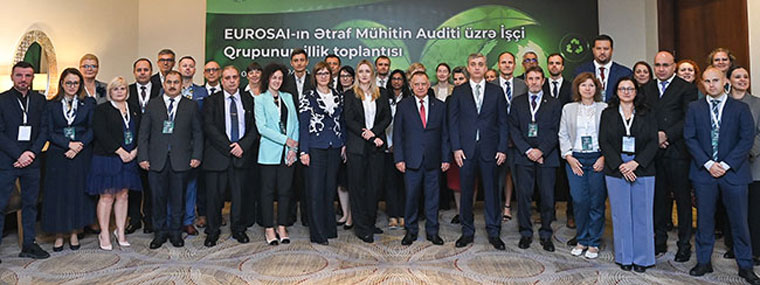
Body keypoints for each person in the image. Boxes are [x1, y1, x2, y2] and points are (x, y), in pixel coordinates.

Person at [685, 67, 760, 284]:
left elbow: (747, 139)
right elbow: (689, 138)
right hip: (704, 173)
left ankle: (745, 266)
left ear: (725, 81)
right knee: (705, 220)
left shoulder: (740, 107)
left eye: (715, 80)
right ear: (703, 84)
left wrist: (726, 164)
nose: (711, 85)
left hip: (734, 173)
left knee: (739, 221)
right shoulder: (695, 108)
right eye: (707, 81)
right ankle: (703, 261)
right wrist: (708, 164)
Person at [448, 53, 508, 250]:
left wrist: (502, 148)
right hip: (465, 150)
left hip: (490, 150)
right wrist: (456, 148)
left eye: (480, 64)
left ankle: (493, 231)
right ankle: (467, 231)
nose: (476, 67)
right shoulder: (459, 91)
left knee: (491, 192)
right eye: (473, 64)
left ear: (485, 67)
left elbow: (502, 122)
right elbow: (453, 122)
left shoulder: (497, 91)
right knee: (466, 192)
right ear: (468, 66)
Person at [643, 51, 698, 262]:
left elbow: (688, 118)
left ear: (674, 66)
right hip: (654, 153)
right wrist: (655, 136)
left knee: (683, 201)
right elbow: (643, 116)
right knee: (658, 200)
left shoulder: (687, 88)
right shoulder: (646, 88)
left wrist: (667, 135)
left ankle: (684, 244)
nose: (661, 69)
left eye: (665, 65)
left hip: (678, 153)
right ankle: (659, 240)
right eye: (657, 65)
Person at [138, 70, 203, 249]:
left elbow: (198, 133)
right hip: (156, 160)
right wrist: (143, 156)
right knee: (157, 200)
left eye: (176, 82)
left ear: (182, 84)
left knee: (178, 199)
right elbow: (143, 133)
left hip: (181, 160)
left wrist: (197, 155)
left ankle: (175, 233)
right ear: (164, 84)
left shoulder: (191, 106)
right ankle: (159, 233)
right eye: (169, 82)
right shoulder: (153, 104)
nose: (172, 85)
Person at [600, 77, 658, 273]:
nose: (626, 92)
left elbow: (652, 142)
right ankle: (625, 256)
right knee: (620, 214)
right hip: (616, 170)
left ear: (636, 92)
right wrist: (620, 165)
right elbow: (604, 141)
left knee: (642, 215)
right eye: (622, 88)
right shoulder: (608, 114)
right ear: (616, 92)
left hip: (642, 167)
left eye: (630, 88)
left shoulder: (647, 113)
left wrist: (636, 163)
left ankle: (642, 258)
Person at [202, 66, 258, 247]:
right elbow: (209, 127)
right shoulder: (211, 100)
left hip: (242, 155)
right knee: (214, 198)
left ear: (239, 79)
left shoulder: (249, 98)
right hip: (218, 156)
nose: (231, 80)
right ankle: (212, 232)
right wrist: (229, 147)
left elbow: (255, 126)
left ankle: (238, 229)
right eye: (227, 78)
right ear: (221, 80)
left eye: (234, 77)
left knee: (239, 196)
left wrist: (242, 146)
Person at [0, 61, 50, 260]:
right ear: (12, 77)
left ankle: (29, 244)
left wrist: (31, 153)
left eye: (28, 76)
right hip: (7, 162)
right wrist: (18, 154)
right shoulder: (2, 100)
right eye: (19, 75)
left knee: (30, 204)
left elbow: (44, 129)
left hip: (32, 161)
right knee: (1, 205)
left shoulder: (39, 100)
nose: (23, 80)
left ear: (32, 78)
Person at [42, 68, 96, 252]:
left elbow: (92, 128)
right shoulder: (50, 105)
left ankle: (74, 232)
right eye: (69, 83)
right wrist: (68, 144)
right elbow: (48, 132)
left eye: (76, 83)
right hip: (58, 155)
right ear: (62, 84)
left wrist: (79, 144)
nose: (72, 86)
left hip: (81, 155)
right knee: (58, 195)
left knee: (77, 194)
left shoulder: (88, 103)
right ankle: (59, 235)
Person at [395, 71, 450, 246]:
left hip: (433, 161)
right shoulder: (403, 106)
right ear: (411, 86)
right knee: (411, 197)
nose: (420, 87)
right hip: (411, 160)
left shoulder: (440, 106)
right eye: (416, 84)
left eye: (423, 84)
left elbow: (445, 135)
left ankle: (433, 232)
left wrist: (446, 158)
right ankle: (410, 231)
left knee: (433, 199)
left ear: (428, 85)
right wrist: (399, 159)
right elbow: (398, 135)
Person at [509, 66, 561, 252]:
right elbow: (513, 130)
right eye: (530, 78)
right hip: (524, 157)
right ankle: (525, 233)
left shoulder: (554, 103)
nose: (534, 82)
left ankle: (546, 233)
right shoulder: (517, 102)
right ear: (525, 81)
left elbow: (556, 130)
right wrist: (528, 150)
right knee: (523, 197)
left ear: (543, 80)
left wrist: (541, 151)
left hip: (547, 157)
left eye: (537, 78)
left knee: (547, 198)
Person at [88, 76, 142, 251]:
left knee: (123, 195)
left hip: (129, 158)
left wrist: (135, 151)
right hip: (108, 158)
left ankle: (120, 231)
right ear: (110, 92)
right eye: (116, 89)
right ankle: (104, 233)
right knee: (107, 196)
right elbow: (101, 133)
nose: (120, 92)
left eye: (123, 89)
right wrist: (120, 151)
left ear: (127, 91)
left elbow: (141, 131)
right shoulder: (102, 110)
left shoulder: (133, 108)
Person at [557, 72, 607, 258]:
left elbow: (610, 136)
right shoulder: (568, 108)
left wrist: (604, 157)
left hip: (597, 158)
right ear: (577, 88)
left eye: (591, 85)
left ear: (596, 88)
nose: (587, 88)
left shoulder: (605, 108)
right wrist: (568, 157)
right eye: (583, 85)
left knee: (596, 201)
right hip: (575, 158)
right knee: (579, 200)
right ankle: (582, 239)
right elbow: (563, 134)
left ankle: (594, 242)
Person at [344, 60, 391, 243]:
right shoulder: (350, 95)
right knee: (358, 188)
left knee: (374, 187)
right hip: (358, 147)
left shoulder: (382, 93)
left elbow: (387, 116)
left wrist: (375, 133)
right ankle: (361, 227)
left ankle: (370, 223)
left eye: (367, 71)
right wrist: (370, 136)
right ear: (357, 74)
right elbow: (350, 120)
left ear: (372, 74)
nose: (364, 74)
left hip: (377, 147)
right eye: (361, 71)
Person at [299, 62, 345, 245]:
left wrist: (344, 144)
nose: (324, 76)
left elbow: (342, 122)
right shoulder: (307, 97)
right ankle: (317, 233)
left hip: (334, 147)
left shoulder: (338, 96)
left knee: (329, 190)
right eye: (320, 73)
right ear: (315, 76)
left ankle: (329, 228)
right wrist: (303, 150)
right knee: (315, 191)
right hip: (315, 148)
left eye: (326, 73)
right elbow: (303, 126)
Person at [255, 63, 299, 245]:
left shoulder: (288, 97)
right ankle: (269, 228)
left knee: (285, 191)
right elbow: (262, 128)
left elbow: (295, 124)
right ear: (267, 79)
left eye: (280, 78)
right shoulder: (260, 99)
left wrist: (293, 149)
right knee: (267, 192)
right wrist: (285, 140)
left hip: (287, 154)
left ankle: (282, 226)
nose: (277, 81)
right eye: (274, 78)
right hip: (268, 153)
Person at [727, 66, 760, 264]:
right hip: (729, 163)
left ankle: (755, 249)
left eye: (745, 77)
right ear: (729, 80)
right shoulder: (724, 103)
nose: (742, 80)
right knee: (732, 207)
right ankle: (733, 245)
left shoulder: (757, 103)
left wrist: (747, 151)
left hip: (753, 162)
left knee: (754, 209)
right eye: (737, 77)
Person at [126, 58, 160, 235]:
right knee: (134, 184)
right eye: (139, 70)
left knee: (150, 185)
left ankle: (149, 219)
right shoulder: (127, 90)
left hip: (154, 143)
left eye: (146, 70)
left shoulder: (159, 89)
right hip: (131, 144)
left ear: (151, 71)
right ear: (134, 72)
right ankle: (134, 219)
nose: (142, 73)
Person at [541, 53, 574, 234]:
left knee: (568, 179)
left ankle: (570, 214)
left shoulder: (571, 87)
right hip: (546, 139)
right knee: (547, 180)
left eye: (557, 63)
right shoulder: (540, 85)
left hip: (567, 138)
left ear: (562, 67)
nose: (554, 66)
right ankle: (548, 211)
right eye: (551, 63)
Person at [176, 56, 209, 236]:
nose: (187, 69)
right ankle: (174, 219)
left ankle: (188, 220)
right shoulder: (170, 90)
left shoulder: (201, 92)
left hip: (194, 144)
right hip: (174, 145)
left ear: (195, 70)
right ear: (179, 68)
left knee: (191, 185)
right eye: (184, 66)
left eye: (191, 66)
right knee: (173, 185)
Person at [496, 51, 527, 224]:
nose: (507, 65)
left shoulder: (523, 85)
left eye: (510, 62)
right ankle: (495, 210)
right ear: (498, 65)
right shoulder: (490, 84)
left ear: (515, 65)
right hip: (497, 141)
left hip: (519, 141)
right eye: (503, 62)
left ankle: (511, 207)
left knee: (519, 179)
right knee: (497, 179)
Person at [282, 48, 312, 228]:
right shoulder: (285, 82)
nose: (299, 63)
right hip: (290, 134)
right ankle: (290, 215)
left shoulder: (314, 80)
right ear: (291, 63)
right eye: (295, 60)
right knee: (290, 177)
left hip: (310, 133)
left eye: (302, 60)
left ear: (307, 62)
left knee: (307, 178)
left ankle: (307, 216)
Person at [384, 69, 410, 230]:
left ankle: (403, 214)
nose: (396, 82)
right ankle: (392, 215)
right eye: (394, 79)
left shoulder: (409, 99)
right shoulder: (384, 98)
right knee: (390, 183)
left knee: (404, 183)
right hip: (386, 146)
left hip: (405, 147)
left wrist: (400, 145)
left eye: (400, 79)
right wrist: (389, 144)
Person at [574, 35, 632, 102]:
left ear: (612, 50)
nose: (602, 52)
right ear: (593, 50)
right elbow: (575, 95)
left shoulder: (624, 73)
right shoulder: (581, 71)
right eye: (598, 48)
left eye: (606, 49)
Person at [336, 65, 355, 229]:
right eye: (342, 76)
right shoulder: (334, 95)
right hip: (336, 142)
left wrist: (347, 144)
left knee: (352, 180)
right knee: (341, 182)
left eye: (348, 76)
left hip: (352, 142)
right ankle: (344, 213)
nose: (345, 78)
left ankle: (351, 216)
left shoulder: (357, 95)